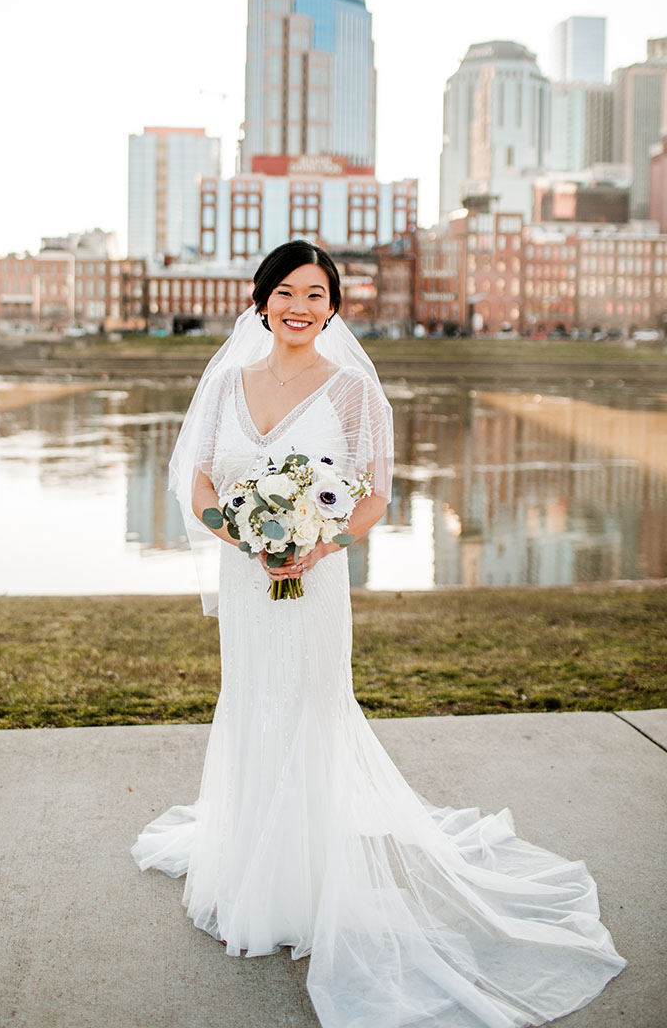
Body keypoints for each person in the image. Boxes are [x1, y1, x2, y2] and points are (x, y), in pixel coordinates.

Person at [132, 241, 625, 1028]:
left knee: (309, 714)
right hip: (247, 575)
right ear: (261, 301)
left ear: (333, 307)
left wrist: (313, 545)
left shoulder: (354, 390)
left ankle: (306, 888)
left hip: (315, 577)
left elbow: (373, 496)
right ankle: (250, 883)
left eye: (317, 294)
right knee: (254, 709)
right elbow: (198, 479)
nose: (300, 306)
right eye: (287, 292)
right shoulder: (226, 383)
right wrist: (246, 538)